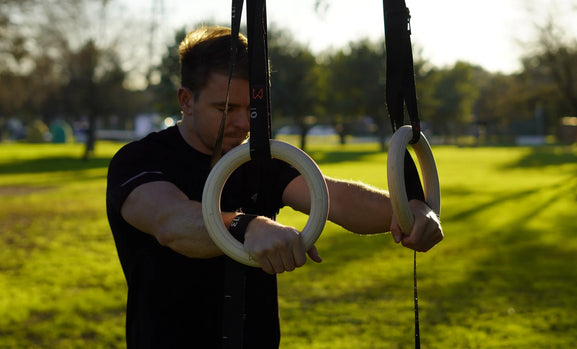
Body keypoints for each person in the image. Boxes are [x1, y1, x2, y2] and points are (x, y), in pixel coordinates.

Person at [106, 25, 443, 349]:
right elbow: (172, 222)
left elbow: (332, 197)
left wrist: (410, 212)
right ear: (186, 100)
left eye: (252, 109)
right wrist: (249, 226)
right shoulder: (138, 160)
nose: (242, 122)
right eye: (226, 108)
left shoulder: (258, 160)